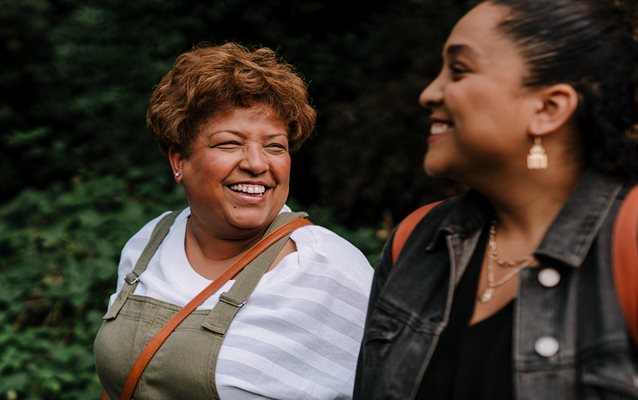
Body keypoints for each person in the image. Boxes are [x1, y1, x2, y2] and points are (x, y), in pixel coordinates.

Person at [354, 0, 638, 398]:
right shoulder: (417, 242)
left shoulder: (629, 241)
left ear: (548, 109)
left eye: (459, 70)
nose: (428, 93)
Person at [93, 42, 373, 400]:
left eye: (275, 146)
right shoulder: (151, 242)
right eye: (230, 144)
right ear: (179, 160)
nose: (257, 163)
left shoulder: (326, 268)